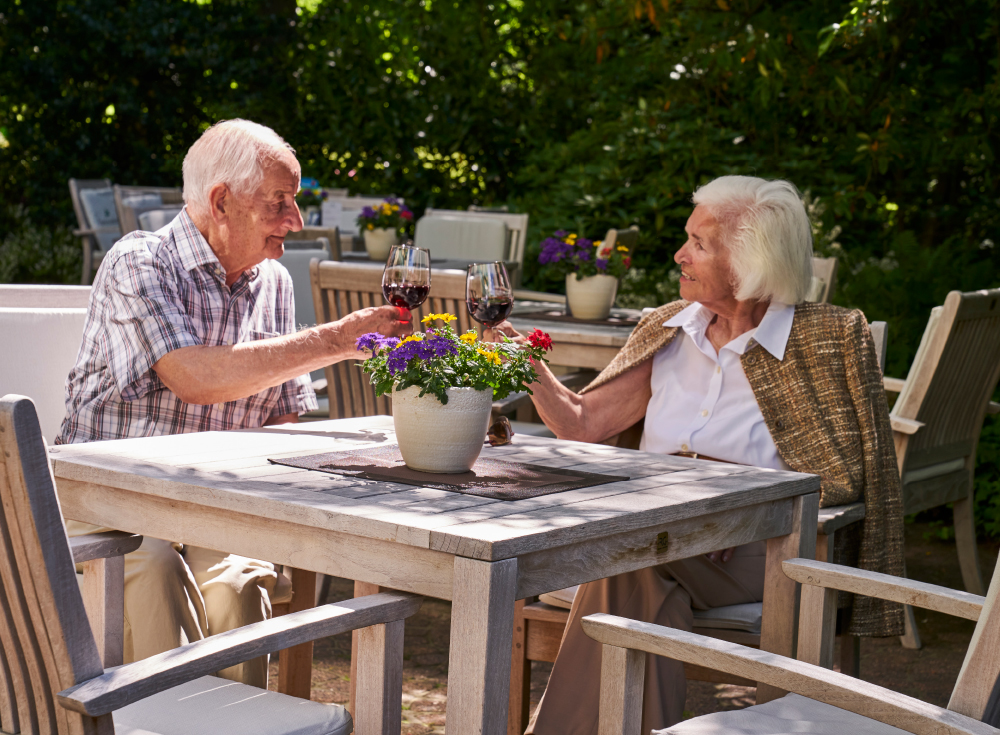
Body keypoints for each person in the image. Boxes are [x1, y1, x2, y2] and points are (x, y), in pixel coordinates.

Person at [487, 175, 904, 734]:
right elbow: (583, 426)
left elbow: (853, 477)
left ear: (751, 260)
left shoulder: (825, 337)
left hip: (766, 548)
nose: (679, 255)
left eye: (699, 244)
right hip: (656, 537)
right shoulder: (666, 327)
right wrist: (527, 365)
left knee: (621, 558)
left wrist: (728, 504)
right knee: (635, 571)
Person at [57, 119, 411, 686]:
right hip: (106, 503)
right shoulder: (140, 262)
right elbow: (192, 376)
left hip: (209, 508)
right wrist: (332, 340)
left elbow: (281, 420)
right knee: (153, 569)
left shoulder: (272, 281)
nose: (295, 223)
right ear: (222, 202)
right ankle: (162, 725)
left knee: (237, 584)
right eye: (279, 203)